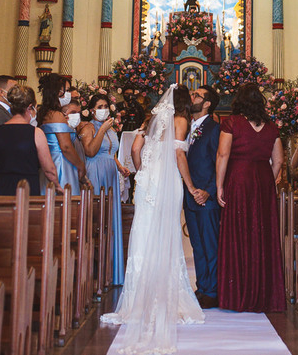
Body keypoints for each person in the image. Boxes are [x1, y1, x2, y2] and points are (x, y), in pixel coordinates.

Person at [102, 85, 205, 353]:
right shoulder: (181, 120)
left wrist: (143, 171)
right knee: (165, 233)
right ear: (183, 102)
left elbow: (136, 149)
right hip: (167, 179)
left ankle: (139, 298)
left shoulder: (151, 120)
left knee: (143, 233)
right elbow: (179, 154)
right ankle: (164, 297)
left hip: (147, 181)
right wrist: (191, 185)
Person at [217, 82, 286, 313]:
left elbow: (223, 154)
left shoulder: (232, 123)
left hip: (239, 178)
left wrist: (219, 185)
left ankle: (238, 296)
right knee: (262, 234)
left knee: (238, 232)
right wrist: (268, 179)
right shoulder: (272, 127)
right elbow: (278, 161)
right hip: (263, 180)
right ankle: (264, 295)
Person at [79, 92, 128, 287]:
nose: (103, 110)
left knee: (111, 218)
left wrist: (119, 166)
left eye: (105, 106)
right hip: (96, 170)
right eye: (99, 107)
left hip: (110, 171)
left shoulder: (110, 128)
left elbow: (111, 151)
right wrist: (102, 130)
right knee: (98, 219)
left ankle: (113, 271)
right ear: (91, 110)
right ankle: (97, 273)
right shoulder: (88, 127)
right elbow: (90, 151)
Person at [184, 85, 221, 308]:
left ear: (207, 103)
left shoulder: (215, 129)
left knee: (210, 244)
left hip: (206, 196)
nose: (192, 97)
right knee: (197, 245)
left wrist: (209, 190)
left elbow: (221, 161)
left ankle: (213, 290)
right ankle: (202, 287)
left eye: (197, 95)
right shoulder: (185, 128)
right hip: (190, 196)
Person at [0, 84, 58, 195]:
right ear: (30, 107)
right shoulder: (36, 133)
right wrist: (58, 187)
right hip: (27, 188)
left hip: (1, 188)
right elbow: (49, 170)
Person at [37, 74, 88, 194]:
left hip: (50, 161)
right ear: (57, 92)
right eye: (67, 90)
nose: (69, 94)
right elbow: (65, 147)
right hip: (61, 164)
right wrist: (81, 165)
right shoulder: (56, 115)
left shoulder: (45, 112)